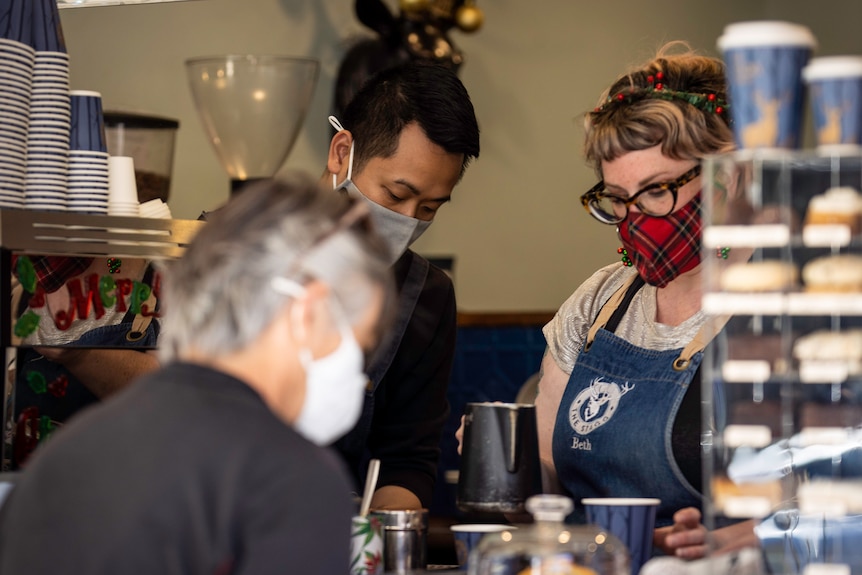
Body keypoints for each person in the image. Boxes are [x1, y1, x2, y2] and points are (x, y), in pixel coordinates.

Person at [0, 175, 395, 575]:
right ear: (306, 312)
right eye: (358, 342)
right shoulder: (294, 483)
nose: (357, 374)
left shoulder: (60, 460)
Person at [324, 61, 480, 511]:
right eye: (395, 195)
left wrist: (375, 541)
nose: (407, 220)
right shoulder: (234, 250)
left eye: (430, 206)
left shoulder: (425, 298)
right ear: (341, 154)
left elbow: (407, 462)